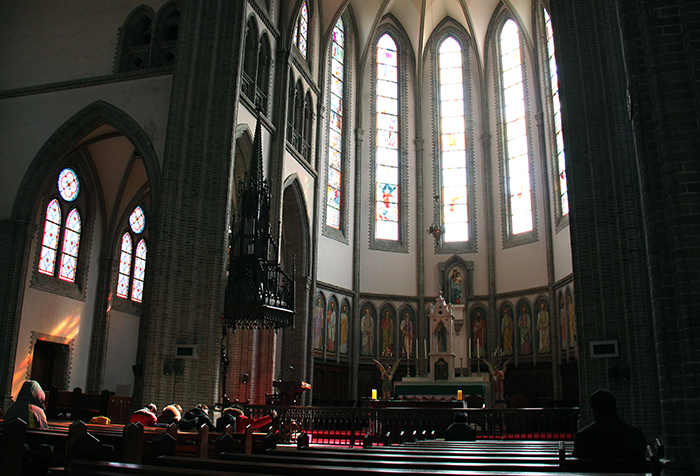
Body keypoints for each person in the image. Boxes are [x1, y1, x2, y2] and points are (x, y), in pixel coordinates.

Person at [573, 389, 647, 460]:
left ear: (593, 412)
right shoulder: (636, 435)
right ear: (616, 408)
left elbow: (575, 466)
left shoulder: (583, 437)